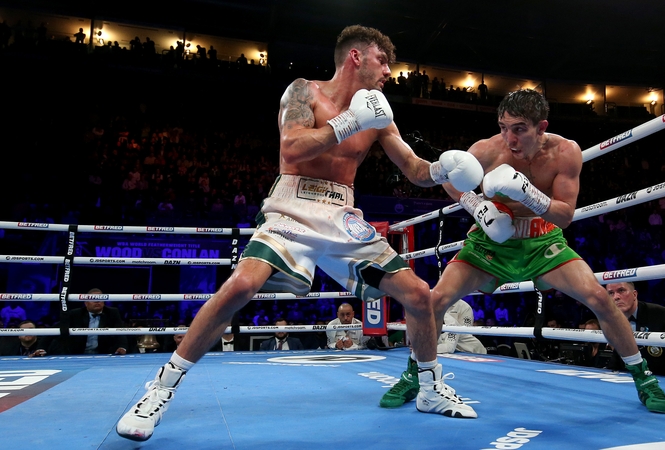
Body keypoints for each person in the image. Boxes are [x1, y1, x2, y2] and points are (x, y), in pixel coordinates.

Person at [116, 24, 484, 442]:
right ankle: (161, 389)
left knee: (417, 294)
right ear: (356, 56)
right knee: (241, 286)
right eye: (383, 61)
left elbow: (413, 169)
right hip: (293, 205)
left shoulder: (379, 113)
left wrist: (442, 169)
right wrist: (349, 122)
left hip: (343, 213)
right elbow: (291, 147)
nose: (389, 72)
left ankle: (430, 388)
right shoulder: (304, 91)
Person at [383, 89, 665, 415]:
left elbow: (564, 216)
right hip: (489, 244)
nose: (509, 138)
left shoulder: (565, 152)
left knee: (599, 297)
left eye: (519, 129)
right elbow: (452, 178)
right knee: (435, 301)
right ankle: (415, 375)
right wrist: (476, 206)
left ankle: (644, 378)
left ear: (541, 127)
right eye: (503, 127)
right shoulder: (486, 150)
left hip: (542, 240)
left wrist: (525, 191)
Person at [606, 282, 665, 379]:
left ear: (634, 294)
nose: (616, 297)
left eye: (621, 290)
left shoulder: (660, 314)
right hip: (631, 380)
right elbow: (618, 355)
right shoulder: (613, 319)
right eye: (611, 293)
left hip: (663, 379)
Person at [52, 288, 128, 355]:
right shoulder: (76, 314)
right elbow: (56, 328)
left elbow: (120, 330)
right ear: (86, 303)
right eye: (93, 299)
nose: (97, 301)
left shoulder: (112, 312)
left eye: (100, 299)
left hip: (104, 353)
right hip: (78, 353)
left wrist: (122, 347)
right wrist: (44, 348)